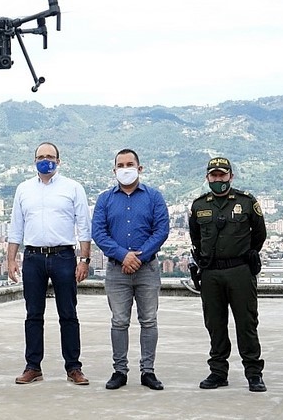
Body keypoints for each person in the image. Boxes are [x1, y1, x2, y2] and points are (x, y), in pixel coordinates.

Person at [6, 142, 92, 386]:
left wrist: (84, 260)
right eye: (41, 157)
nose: (46, 160)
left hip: (63, 256)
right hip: (33, 257)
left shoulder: (73, 188)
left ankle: (73, 367)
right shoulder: (23, 189)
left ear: (59, 161)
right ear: (34, 161)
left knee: (68, 313)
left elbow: (84, 226)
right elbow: (16, 226)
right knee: (33, 314)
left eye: (51, 156)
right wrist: (11, 259)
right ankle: (33, 366)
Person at [92, 149, 169, 391]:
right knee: (119, 321)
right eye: (121, 165)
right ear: (114, 170)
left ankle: (148, 371)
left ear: (140, 168)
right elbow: (99, 233)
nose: (126, 169)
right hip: (117, 270)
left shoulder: (154, 197)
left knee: (149, 320)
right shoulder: (105, 199)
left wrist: (139, 256)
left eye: (130, 164)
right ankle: (120, 371)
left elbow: (161, 230)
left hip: (147, 269)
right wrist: (122, 255)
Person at [188, 157, 267, 393]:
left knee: (247, 323)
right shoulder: (199, 205)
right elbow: (196, 237)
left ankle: (253, 373)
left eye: (222, 175)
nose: (218, 179)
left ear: (231, 176)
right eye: (214, 175)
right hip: (211, 272)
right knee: (215, 324)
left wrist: (246, 254)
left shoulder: (246, 201)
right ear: (207, 178)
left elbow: (259, 234)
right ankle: (218, 372)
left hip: (239, 270)